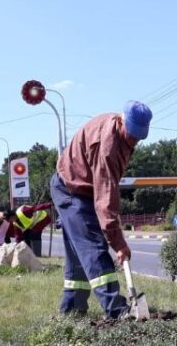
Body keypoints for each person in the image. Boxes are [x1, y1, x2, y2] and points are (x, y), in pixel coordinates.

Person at [50, 100, 152, 318]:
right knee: (94, 247)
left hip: (80, 189)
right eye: (131, 134)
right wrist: (119, 243)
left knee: (79, 256)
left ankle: (72, 311)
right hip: (72, 191)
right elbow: (105, 200)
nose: (134, 141)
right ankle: (117, 310)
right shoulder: (108, 148)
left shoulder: (118, 130)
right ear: (122, 120)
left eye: (139, 137)